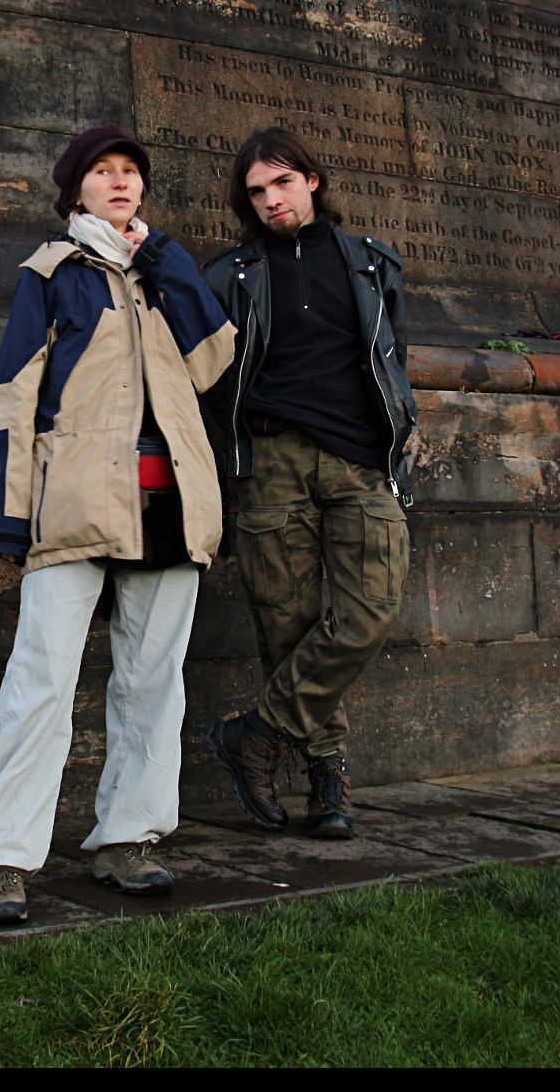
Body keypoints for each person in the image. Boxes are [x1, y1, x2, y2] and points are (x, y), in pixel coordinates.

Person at [0, 125, 236, 924]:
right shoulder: (50, 275)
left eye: (131, 171)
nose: (120, 181)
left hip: (170, 503)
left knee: (153, 680)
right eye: (103, 171)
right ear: (76, 190)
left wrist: (166, 260)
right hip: (73, 501)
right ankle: (2, 854)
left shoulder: (168, 273)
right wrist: (7, 518)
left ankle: (129, 837)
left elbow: (214, 360)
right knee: (40, 679)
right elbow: (11, 398)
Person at [200, 127, 415, 840]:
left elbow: (393, 362)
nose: (271, 200)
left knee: (369, 611)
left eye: (283, 183)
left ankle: (256, 734)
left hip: (359, 462)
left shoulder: (372, 265)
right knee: (287, 627)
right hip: (272, 462)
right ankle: (327, 779)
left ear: (312, 180)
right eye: (257, 191)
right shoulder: (229, 276)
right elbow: (210, 375)